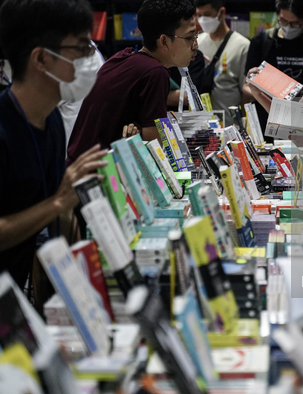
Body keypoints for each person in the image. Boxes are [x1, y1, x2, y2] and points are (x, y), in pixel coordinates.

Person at [0, 0, 109, 288]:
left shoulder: (52, 123)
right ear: (41, 59)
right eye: (82, 49)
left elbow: (57, 223)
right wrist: (58, 203)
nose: (91, 59)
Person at [67, 0, 198, 164]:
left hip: (77, 165)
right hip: (97, 177)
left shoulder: (123, 57)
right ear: (164, 41)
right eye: (189, 37)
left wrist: (140, 130)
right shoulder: (155, 73)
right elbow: (156, 149)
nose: (195, 45)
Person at [243, 0, 303, 132]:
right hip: (265, 119)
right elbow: (245, 85)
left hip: (301, 119)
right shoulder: (262, 41)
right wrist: (258, 91)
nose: (288, 26)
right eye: (283, 21)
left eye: (294, 23)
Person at [196, 0, 250, 124]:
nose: (203, 19)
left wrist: (244, 123)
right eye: (199, 15)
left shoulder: (242, 45)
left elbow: (245, 92)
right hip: (202, 126)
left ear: (222, 12)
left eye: (207, 14)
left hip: (230, 124)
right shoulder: (196, 43)